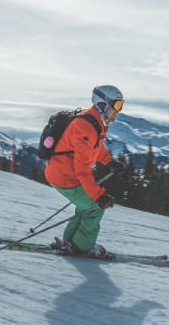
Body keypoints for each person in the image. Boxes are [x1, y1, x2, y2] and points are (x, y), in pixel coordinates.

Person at [45, 85, 125, 258]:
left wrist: (110, 162)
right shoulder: (86, 126)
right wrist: (98, 196)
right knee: (94, 209)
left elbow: (96, 149)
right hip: (64, 176)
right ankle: (81, 247)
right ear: (103, 104)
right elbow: (82, 171)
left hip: (65, 174)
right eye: (116, 106)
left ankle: (70, 241)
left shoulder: (95, 122)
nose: (117, 112)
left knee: (84, 207)